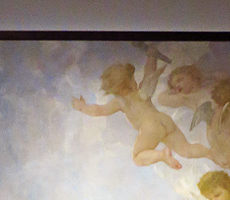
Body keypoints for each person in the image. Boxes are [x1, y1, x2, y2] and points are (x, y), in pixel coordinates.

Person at [72, 49, 219, 170]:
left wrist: (82, 107)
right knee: (186, 149)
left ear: (114, 91)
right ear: (131, 81)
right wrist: (151, 56)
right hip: (164, 120)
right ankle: (210, 153)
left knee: (137, 157)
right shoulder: (143, 91)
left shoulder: (121, 102)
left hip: (149, 127)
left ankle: (162, 155)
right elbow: (149, 71)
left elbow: (99, 111)